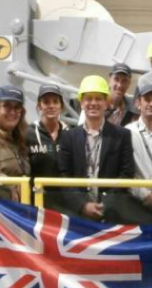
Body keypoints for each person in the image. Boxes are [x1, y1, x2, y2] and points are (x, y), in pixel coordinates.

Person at [58, 75, 135, 222]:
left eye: (98, 98)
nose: (93, 103)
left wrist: (107, 203)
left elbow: (127, 173)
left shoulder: (122, 135)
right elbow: (64, 176)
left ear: (106, 103)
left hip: (112, 213)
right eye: (88, 98)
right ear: (81, 103)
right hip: (78, 216)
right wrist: (82, 205)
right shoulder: (68, 137)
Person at [26, 84, 69, 211]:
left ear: (61, 106)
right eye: (46, 102)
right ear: (39, 106)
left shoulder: (70, 134)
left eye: (55, 101)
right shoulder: (28, 133)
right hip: (37, 203)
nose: (51, 105)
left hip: (65, 205)